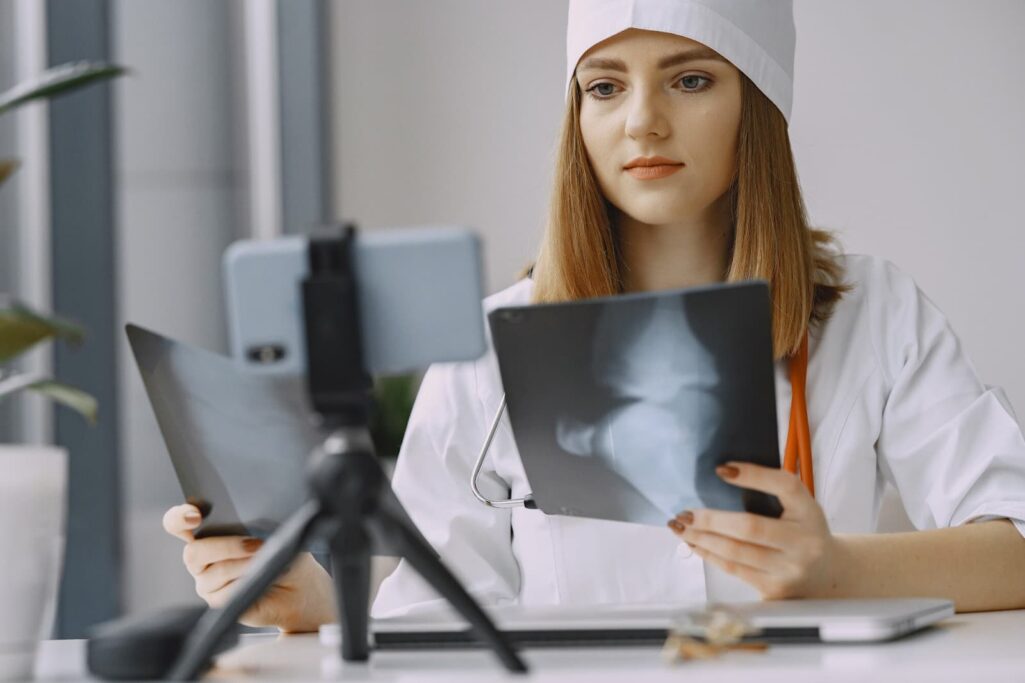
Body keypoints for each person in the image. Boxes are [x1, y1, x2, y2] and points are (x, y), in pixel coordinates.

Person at [163, 0, 1025, 631]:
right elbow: (440, 608)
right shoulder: (487, 348)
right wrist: (312, 599)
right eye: (604, 87)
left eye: (690, 80)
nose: (642, 121)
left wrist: (834, 569)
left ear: (756, 110)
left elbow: (1015, 545)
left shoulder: (871, 313)